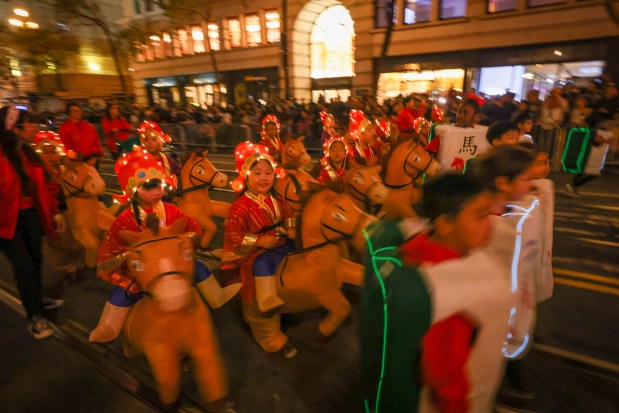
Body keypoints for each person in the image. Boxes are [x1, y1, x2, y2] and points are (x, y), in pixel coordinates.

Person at [361, 173, 513, 413]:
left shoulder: (416, 246)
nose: (490, 224)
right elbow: (445, 373)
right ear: (445, 224)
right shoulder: (454, 285)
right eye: (480, 216)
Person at [90, 148, 240, 343]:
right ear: (133, 190)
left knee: (200, 268)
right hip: (144, 268)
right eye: (148, 187)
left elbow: (192, 226)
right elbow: (113, 247)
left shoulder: (170, 209)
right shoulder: (126, 219)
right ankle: (109, 325)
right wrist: (132, 258)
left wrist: (186, 240)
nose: (155, 192)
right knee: (123, 291)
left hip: (173, 263)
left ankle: (216, 296)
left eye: (158, 185)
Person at [471, 145, 542, 412]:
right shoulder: (483, 222)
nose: (531, 182)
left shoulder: (509, 213)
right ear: (503, 183)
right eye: (525, 177)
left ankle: (508, 391)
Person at [221, 143, 297, 358]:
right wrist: (259, 242)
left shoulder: (276, 198)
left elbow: (288, 212)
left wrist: (290, 227)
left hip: (281, 243)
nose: (264, 178)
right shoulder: (240, 206)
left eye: (268, 172)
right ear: (245, 176)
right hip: (256, 253)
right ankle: (271, 333)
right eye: (257, 173)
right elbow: (235, 237)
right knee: (261, 266)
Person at [0, 105, 66, 339]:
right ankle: (35, 318)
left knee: (36, 260)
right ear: (14, 128)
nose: (34, 127)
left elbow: (47, 185)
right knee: (24, 267)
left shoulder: (29, 153)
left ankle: (36, 298)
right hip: (6, 224)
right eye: (30, 123)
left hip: (30, 216)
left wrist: (55, 211)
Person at [427, 99, 490, 173]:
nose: (460, 115)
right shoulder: (444, 133)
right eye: (459, 112)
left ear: (476, 117)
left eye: (465, 113)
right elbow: (429, 156)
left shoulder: (482, 134)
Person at [565, 119, 614, 197]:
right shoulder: (593, 131)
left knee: (587, 172)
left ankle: (573, 185)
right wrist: (607, 140)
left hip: (593, 154)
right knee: (588, 172)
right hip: (590, 154)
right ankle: (573, 185)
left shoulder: (595, 130)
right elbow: (596, 139)